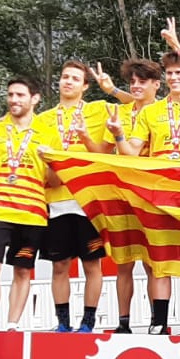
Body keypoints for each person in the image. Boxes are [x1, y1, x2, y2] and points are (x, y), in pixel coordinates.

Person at [121, 49, 180, 334]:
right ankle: (159, 323)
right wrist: (117, 134)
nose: (174, 77)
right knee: (159, 259)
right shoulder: (150, 112)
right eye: (170, 73)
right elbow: (132, 152)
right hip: (159, 195)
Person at [0, 77, 58, 329]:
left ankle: (13, 325)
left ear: (35, 99)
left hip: (32, 212)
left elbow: (55, 181)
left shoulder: (49, 133)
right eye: (10, 94)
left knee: (23, 270)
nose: (14, 100)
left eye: (20, 95)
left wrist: (51, 162)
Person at [37, 60, 111, 332]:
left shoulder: (98, 110)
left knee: (92, 264)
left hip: (88, 201)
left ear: (85, 86)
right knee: (60, 265)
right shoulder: (42, 119)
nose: (68, 82)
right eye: (65, 77)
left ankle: (88, 322)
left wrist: (111, 89)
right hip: (56, 201)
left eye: (75, 78)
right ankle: (63, 324)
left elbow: (137, 106)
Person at [98, 57, 162, 331]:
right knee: (123, 263)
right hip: (120, 194)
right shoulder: (119, 112)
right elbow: (100, 152)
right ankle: (123, 323)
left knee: (153, 264)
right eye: (132, 81)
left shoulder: (164, 112)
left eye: (142, 81)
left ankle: (157, 322)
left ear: (156, 85)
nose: (135, 86)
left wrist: (113, 90)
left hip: (150, 195)